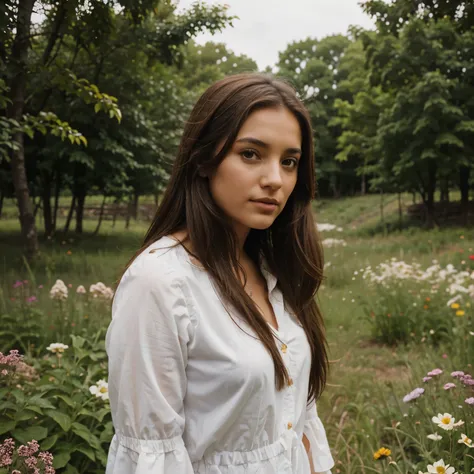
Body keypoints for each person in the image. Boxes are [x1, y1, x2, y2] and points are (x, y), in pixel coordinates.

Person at [105, 72, 335, 474]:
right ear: (204, 158)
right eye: (250, 154)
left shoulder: (273, 271)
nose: (275, 180)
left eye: (290, 162)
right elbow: (152, 453)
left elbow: (297, 425)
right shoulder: (160, 283)